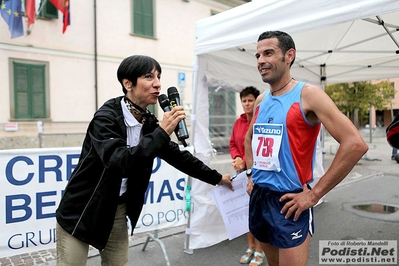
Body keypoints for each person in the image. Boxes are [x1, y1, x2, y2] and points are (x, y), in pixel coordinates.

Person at [55, 55, 233, 266]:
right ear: (127, 83)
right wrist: (163, 131)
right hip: (82, 207)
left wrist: (218, 178)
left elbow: (179, 157)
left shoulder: (148, 122)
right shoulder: (105, 118)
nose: (157, 83)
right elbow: (119, 162)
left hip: (117, 209)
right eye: (149, 76)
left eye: (158, 76)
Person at [244, 31, 368, 266]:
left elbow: (355, 144)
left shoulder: (308, 94)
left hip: (290, 200)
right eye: (258, 55)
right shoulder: (261, 100)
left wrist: (315, 194)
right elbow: (249, 138)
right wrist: (251, 173)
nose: (260, 60)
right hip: (260, 197)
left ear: (289, 56)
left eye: (268, 53)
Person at [229, 86, 265, 266]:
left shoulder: (261, 120)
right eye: (244, 101)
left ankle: (260, 250)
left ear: (256, 102)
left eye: (250, 100)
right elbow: (233, 143)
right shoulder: (238, 122)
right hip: (242, 173)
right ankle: (250, 246)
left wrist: (245, 160)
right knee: (246, 214)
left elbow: (259, 146)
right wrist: (236, 158)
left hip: (258, 173)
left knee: (259, 214)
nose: (247, 104)